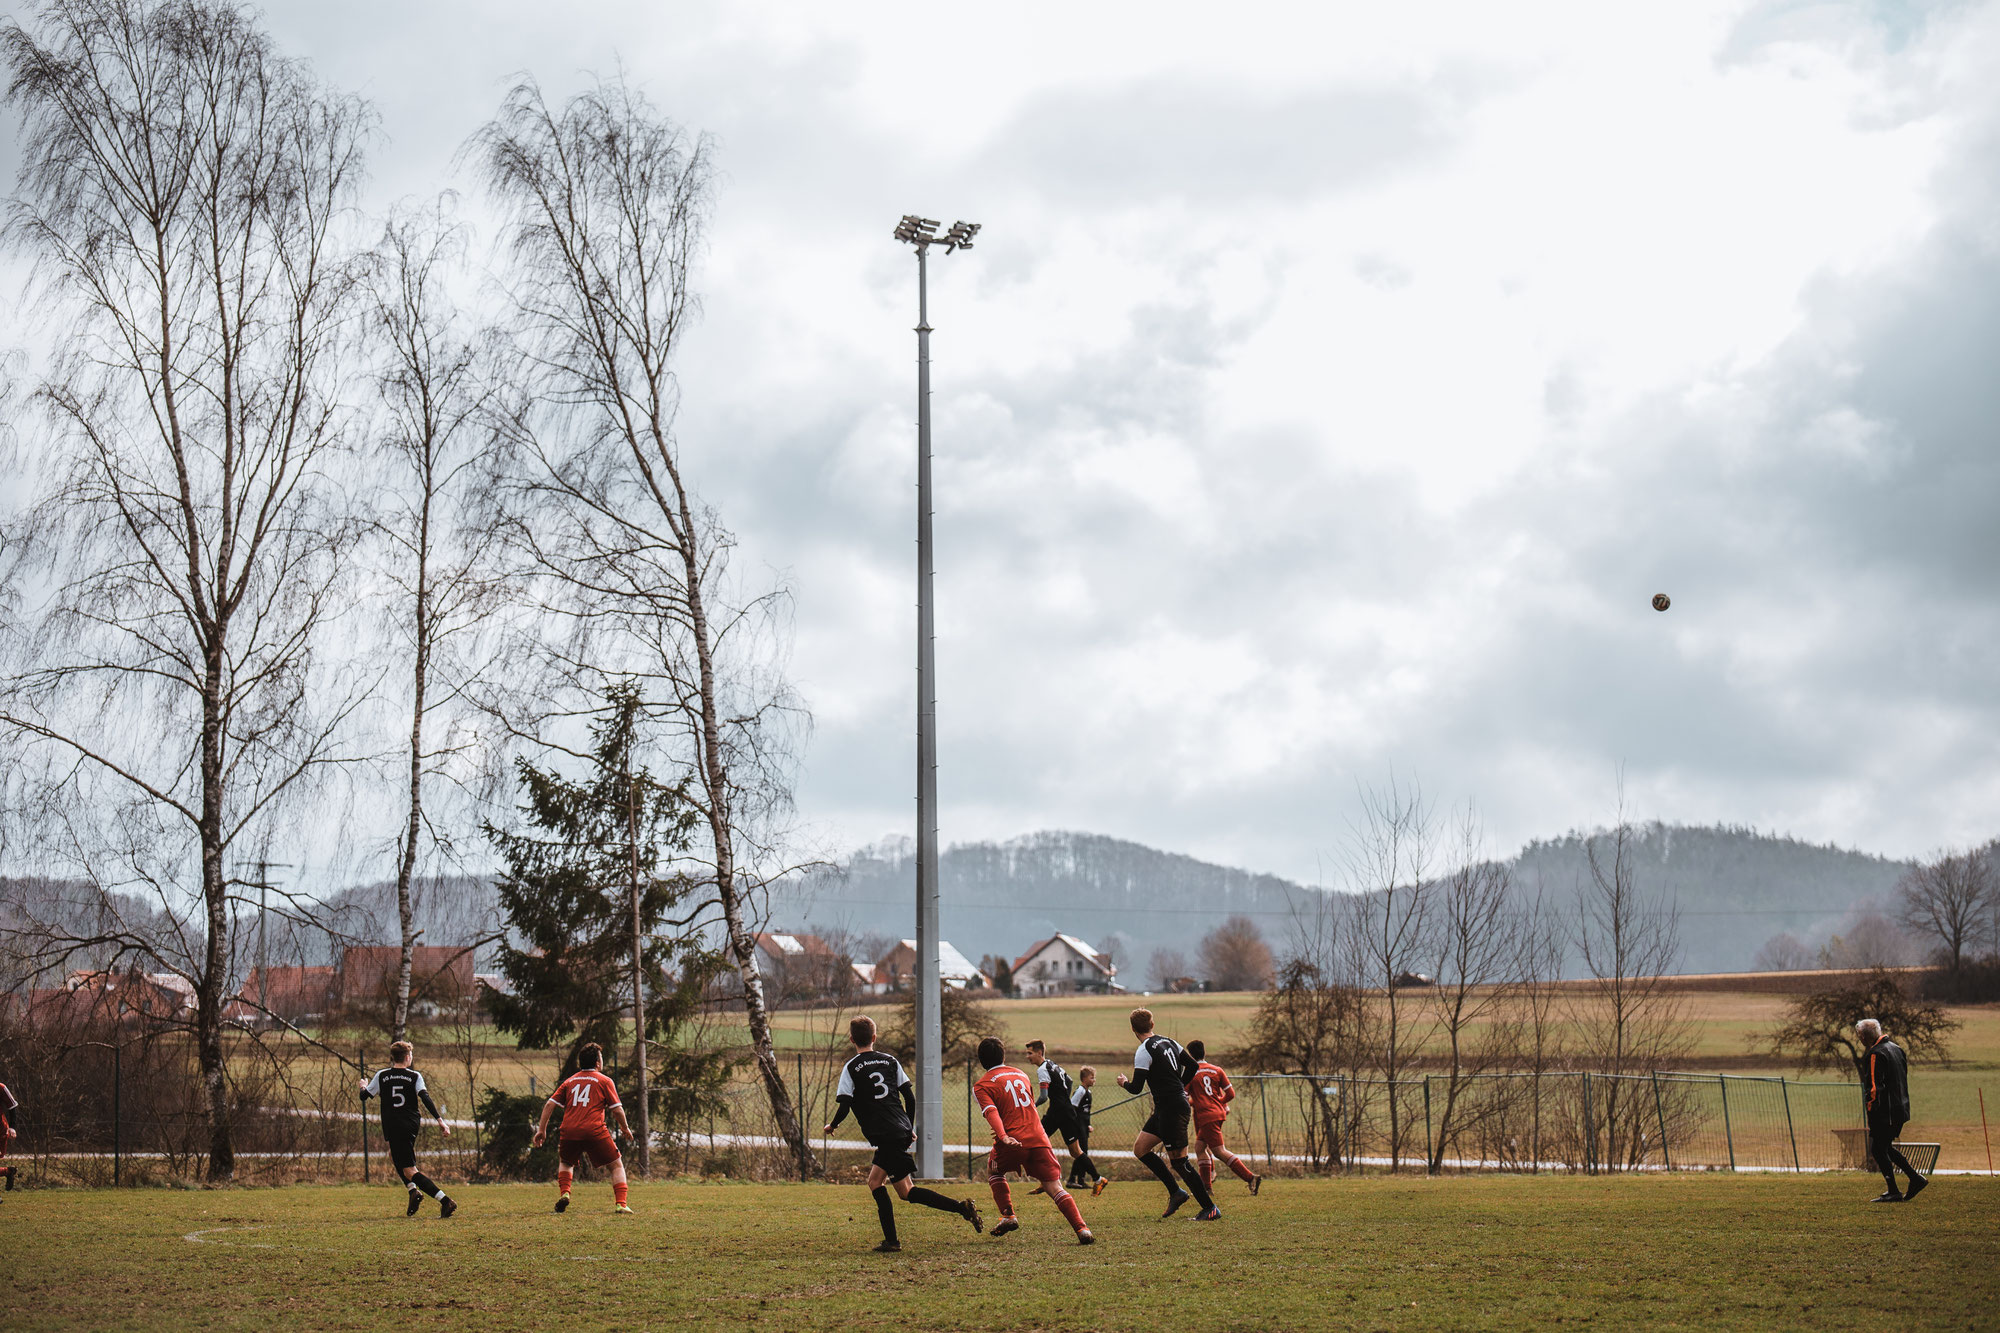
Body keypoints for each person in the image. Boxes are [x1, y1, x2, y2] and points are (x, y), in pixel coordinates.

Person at [823, 1015, 983, 1253]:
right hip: (898, 1130)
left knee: (890, 1186)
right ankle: (956, 1211)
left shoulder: (851, 1067)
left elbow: (845, 1103)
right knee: (891, 1187)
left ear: (851, 1039)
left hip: (886, 1134)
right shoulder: (890, 1061)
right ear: (874, 1037)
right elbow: (909, 1097)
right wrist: (908, 1127)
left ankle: (897, 1239)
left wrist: (832, 1125)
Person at [972, 1037, 1094, 1245]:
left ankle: (1008, 1216)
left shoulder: (982, 1085)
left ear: (981, 1060)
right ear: (1003, 1055)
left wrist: (1003, 1136)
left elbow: (991, 1112)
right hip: (1039, 1136)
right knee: (1054, 1186)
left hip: (1013, 1139)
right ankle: (1082, 1229)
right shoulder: (1021, 1074)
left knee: (994, 1171)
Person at [1116, 1007, 1218, 1220]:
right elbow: (1191, 1065)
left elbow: (1136, 1087)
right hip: (1166, 1107)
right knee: (1141, 1149)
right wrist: (1180, 1084)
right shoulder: (1170, 1042)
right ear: (1152, 1025)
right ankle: (1176, 1192)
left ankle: (1210, 1208)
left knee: (1180, 1162)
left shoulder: (1144, 1050)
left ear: (1133, 1029)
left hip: (1172, 1107)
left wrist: (1124, 1083)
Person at [358, 1041, 457, 1218]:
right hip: (410, 1124)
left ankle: (445, 1201)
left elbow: (364, 1097)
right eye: (411, 1055)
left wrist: (363, 1085)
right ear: (407, 1057)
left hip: (393, 1125)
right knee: (395, 1157)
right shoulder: (414, 1076)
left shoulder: (382, 1075)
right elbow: (425, 1097)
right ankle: (413, 1191)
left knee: (410, 1170)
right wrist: (440, 1120)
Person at [532, 1043, 635, 1214]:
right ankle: (621, 1204)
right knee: (616, 1166)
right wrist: (625, 1128)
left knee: (566, 1162)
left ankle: (565, 1193)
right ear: (597, 1063)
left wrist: (541, 1130)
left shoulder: (569, 1081)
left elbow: (550, 1104)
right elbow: (616, 1109)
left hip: (569, 1130)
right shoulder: (605, 1081)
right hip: (594, 1130)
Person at [1857, 1018, 1928, 1203]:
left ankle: (1896, 1189)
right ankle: (1914, 1179)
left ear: (1864, 1037)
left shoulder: (1875, 1054)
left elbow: (1874, 1087)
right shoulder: (1897, 1049)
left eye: (1859, 1036)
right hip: (1900, 1109)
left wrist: (1870, 1108)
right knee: (1885, 1147)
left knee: (1879, 1149)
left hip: (1885, 1112)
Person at [1185, 1040, 1260, 1195]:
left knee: (1219, 1151)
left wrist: (1198, 1103)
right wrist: (1217, 1102)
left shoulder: (1190, 1073)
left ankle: (1250, 1177)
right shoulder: (1217, 1070)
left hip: (1206, 1116)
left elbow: (1184, 1098)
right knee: (1200, 1148)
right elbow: (1231, 1094)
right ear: (1204, 1053)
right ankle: (1206, 1188)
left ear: (1191, 1056)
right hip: (1219, 1113)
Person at [1022, 1040, 1085, 1195]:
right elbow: (1068, 1081)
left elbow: (1043, 1097)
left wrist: (1031, 1107)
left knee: (1038, 1142)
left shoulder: (1043, 1069)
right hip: (1058, 1111)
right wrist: (1063, 1098)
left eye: (1029, 1053)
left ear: (1039, 1053)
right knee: (1042, 1143)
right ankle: (1048, 1180)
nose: (1027, 1056)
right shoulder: (1052, 1064)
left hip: (1058, 1113)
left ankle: (1094, 1178)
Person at [1065, 1066, 1106, 1194]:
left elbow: (1085, 1113)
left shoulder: (1088, 1092)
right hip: (1077, 1127)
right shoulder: (1080, 1091)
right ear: (1084, 1079)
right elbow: (1072, 1108)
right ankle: (1073, 1180)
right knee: (1081, 1153)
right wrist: (1077, 1125)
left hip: (1083, 1127)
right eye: (1091, 1077)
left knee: (1082, 1153)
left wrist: (1088, 1125)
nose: (1094, 1080)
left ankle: (1079, 1180)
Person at [0, 1079, 17, 1191]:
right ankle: (8, 1171)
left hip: (0, 1131)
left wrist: (12, 1127)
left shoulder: (1, 1087)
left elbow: (12, 1106)